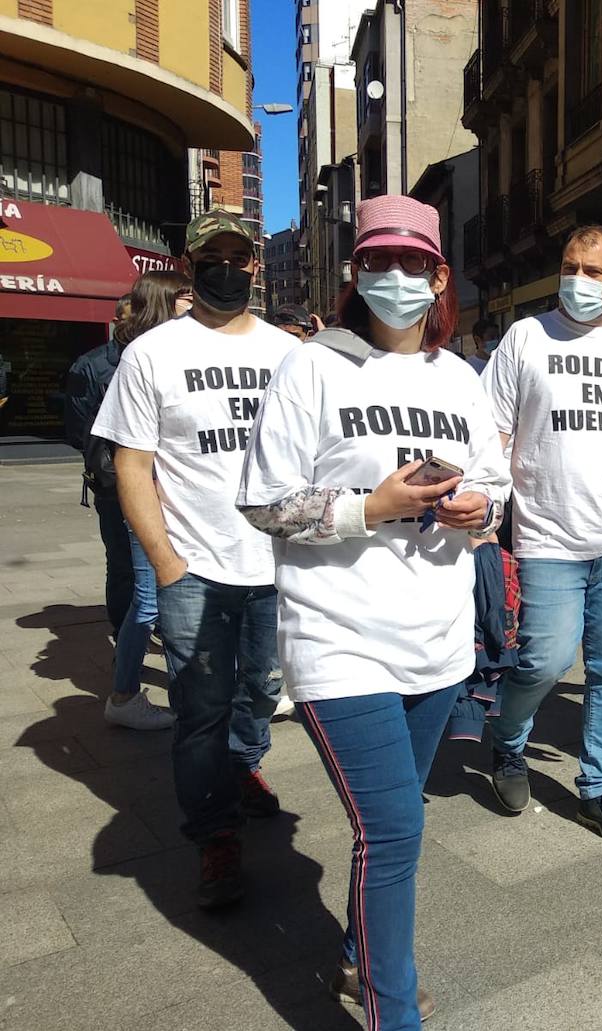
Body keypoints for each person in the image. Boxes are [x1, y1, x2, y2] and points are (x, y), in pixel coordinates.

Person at [239, 195, 508, 1029]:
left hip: (437, 642)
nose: (396, 278)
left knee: (397, 820)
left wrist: (479, 511)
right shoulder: (313, 365)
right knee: (390, 831)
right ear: (356, 272)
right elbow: (263, 502)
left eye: (413, 263)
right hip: (337, 641)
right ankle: (397, 1012)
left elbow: (495, 487)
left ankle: (359, 957)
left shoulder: (458, 377)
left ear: (438, 276)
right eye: (378, 261)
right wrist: (371, 505)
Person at [91, 210, 296, 908]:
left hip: (276, 568)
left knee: (261, 689)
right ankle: (215, 836)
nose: (229, 269)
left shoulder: (287, 352)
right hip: (194, 569)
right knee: (200, 707)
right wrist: (166, 562)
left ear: (255, 267)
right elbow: (131, 463)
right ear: (189, 261)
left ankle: (242, 767)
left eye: (241, 258)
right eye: (216, 256)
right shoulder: (154, 353)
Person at [483, 224, 602, 845]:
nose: (578, 280)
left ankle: (598, 789)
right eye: (570, 267)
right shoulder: (525, 337)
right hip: (546, 536)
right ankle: (507, 743)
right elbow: (496, 434)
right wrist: (488, 511)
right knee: (545, 660)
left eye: (593, 271)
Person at [103, 270, 192, 731]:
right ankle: (126, 695)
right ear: (164, 301)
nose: (193, 302)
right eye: (185, 295)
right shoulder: (141, 358)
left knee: (156, 600)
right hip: (151, 498)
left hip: (176, 498)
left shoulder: (172, 351)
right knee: (152, 600)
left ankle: (134, 693)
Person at [64, 293, 136, 634]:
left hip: (162, 480)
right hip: (114, 481)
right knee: (122, 563)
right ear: (116, 322)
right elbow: (78, 427)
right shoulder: (91, 365)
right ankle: (124, 636)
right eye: (128, 319)